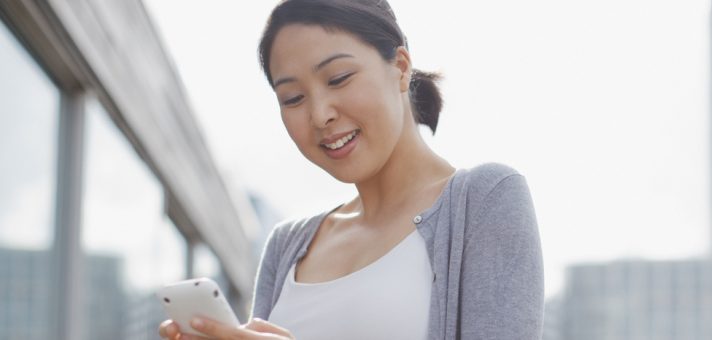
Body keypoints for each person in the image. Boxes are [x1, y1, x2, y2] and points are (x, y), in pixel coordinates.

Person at [158, 0, 544, 338]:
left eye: (339, 78)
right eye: (292, 98)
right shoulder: (286, 246)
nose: (320, 115)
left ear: (401, 66)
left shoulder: (485, 200)